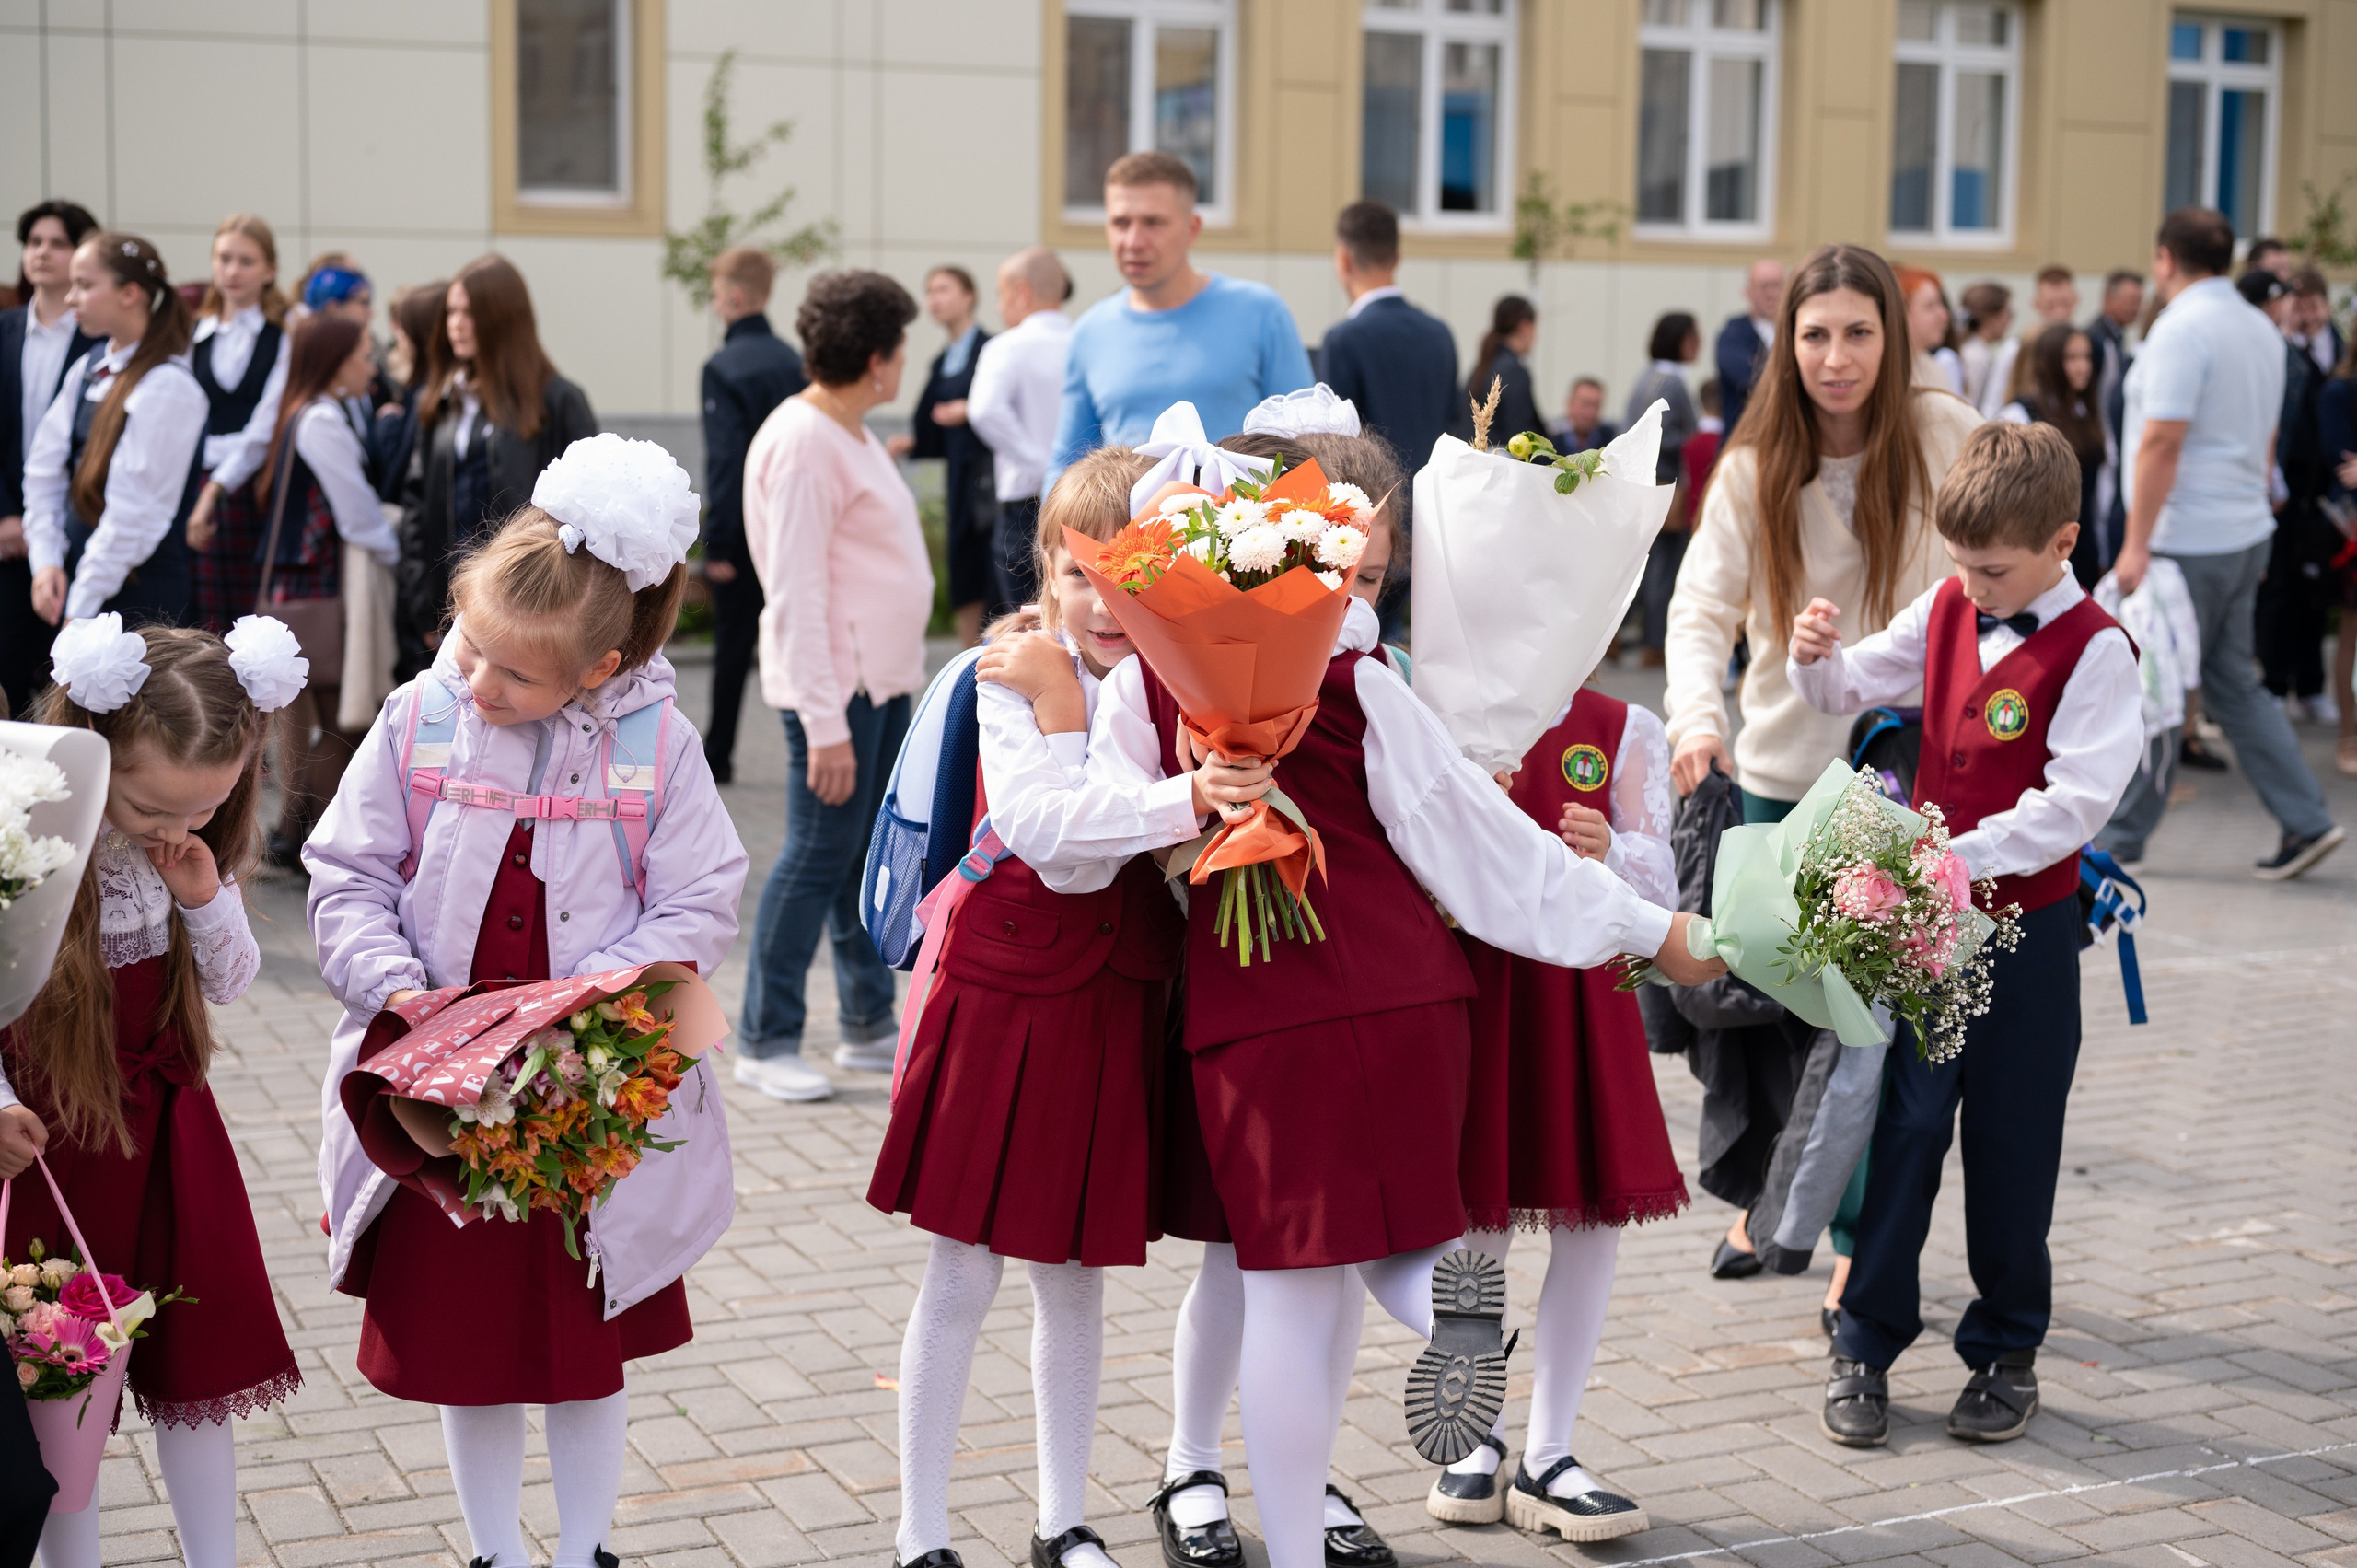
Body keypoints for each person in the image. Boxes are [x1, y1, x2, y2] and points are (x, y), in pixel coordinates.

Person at [1028, 411, 1721, 1568]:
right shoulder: (1362, 675)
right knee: (1373, 1241)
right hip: (1412, 993)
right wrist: (1652, 928)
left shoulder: (1145, 683)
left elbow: (1080, 844)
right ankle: (1437, 1297)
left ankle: (1305, 1535)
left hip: (1263, 1014)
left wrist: (1187, 793)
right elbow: (1483, 850)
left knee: (1290, 1293)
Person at [309, 445, 744, 1568]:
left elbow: (701, 896)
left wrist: (590, 1008)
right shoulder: (423, 714)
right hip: (440, 1095)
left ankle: (586, 1545)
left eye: (515, 676)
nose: (480, 685)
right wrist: (398, 991)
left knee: (581, 1342)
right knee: (469, 1349)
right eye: (475, 648)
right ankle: (495, 1552)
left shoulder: (658, 745)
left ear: (601, 665)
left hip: (578, 1099)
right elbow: (348, 870)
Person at [872, 447, 1272, 1568]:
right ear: (1046, 567)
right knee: (962, 1264)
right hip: (1003, 985)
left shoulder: (1179, 683)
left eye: (1129, 575)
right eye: (1079, 572)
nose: (1103, 602)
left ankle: (1062, 1520)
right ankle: (921, 1533)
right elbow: (1056, 841)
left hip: (1110, 995)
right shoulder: (1019, 668)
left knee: (1073, 1271)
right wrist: (1181, 789)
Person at [1790, 422, 2143, 1447]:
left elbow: (2071, 804)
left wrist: (1952, 858)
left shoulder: (2098, 651)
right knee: (1902, 1128)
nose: (1973, 584)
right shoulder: (1950, 601)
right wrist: (1813, 660)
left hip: (2025, 939)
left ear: (2062, 541)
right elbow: (1853, 683)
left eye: (1992, 568)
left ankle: (2004, 1347)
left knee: (2011, 1143)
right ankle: (1864, 1336)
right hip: (1931, 930)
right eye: (1961, 564)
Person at [1662, 244, 1983, 1279]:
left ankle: (1851, 1244)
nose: (1835, 357)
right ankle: (1775, 1201)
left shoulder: (1944, 432)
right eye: (1814, 335)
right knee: (1779, 1034)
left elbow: (2005, 560)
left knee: (1866, 1035)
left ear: (1891, 335)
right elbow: (1700, 608)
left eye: (1857, 331)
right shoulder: (1757, 462)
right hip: (1772, 772)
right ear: (1784, 343)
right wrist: (1689, 723)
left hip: (1899, 781)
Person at [4, 616, 306, 1568]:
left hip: (169, 1135)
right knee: (64, 1376)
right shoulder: (30, 846)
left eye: (208, 806)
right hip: (56, 1146)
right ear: (92, 756)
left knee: (196, 1359)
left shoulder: (181, 858)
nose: (176, 827)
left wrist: (205, 893)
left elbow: (229, 980)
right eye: (148, 806)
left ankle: (214, 1554)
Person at [1425, 676, 1687, 1540]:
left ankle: (1551, 1448)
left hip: (1583, 994)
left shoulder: (1622, 724)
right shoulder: (1447, 706)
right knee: (1482, 1217)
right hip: (1488, 988)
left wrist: (1610, 849)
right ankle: (1474, 1435)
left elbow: (1661, 879)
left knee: (1591, 1218)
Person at [738, 270, 935, 1100]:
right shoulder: (806, 442)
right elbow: (797, 591)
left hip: (875, 685)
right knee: (818, 854)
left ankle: (866, 1022)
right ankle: (764, 1035)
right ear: (880, 359)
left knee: (862, 853)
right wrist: (824, 723)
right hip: (837, 692)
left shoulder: (848, 430)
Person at [2108, 208, 2343, 878]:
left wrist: (2136, 542)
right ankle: (2307, 819)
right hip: (2241, 531)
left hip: (2187, 539)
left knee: (2153, 681)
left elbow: (2161, 440)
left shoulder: (2182, 328)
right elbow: (2265, 435)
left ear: (2163, 259)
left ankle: (2122, 838)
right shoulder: (2258, 327)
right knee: (2231, 683)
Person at [393, 255, 597, 679]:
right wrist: (425, 603)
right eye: (451, 311)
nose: (456, 324)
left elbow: (586, 518)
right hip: (451, 606)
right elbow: (415, 509)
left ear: (502, 317)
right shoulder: (443, 402)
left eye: (470, 312)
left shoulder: (558, 402)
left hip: (529, 607)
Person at [1050, 152, 1313, 479]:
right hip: (1128, 530)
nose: (1133, 241)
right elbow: (1067, 464)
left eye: (1153, 222)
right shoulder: (1089, 331)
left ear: (1192, 228)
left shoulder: (1261, 313)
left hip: (1243, 524)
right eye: (1120, 223)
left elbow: (1305, 447)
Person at [249, 313, 403, 864]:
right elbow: (356, 514)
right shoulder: (322, 419)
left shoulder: (301, 412)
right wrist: (399, 553)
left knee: (305, 729)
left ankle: (291, 834)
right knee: (342, 728)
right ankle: (306, 839)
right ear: (336, 361)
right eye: (364, 354)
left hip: (295, 593)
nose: (373, 366)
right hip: (321, 594)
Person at [25, 233, 208, 629]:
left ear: (130, 293)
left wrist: (83, 605)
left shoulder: (167, 386)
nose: (71, 297)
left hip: (136, 597)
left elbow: (136, 513)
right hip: (79, 587)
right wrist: (45, 560)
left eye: (85, 285)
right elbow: (43, 470)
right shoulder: (89, 368)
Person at [697, 245, 807, 784]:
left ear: (736, 297)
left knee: (734, 645)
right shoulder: (796, 362)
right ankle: (811, 748)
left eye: (718, 298)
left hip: (744, 533)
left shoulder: (722, 368)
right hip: (795, 527)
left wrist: (718, 541)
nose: (717, 308)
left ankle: (719, 752)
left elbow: (727, 458)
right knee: (798, 637)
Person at [1, 199, 99, 714]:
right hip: (9, 531)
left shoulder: (99, 337)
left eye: (57, 243)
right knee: (10, 665)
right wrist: (7, 515)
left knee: (73, 677)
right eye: (34, 242)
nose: (42, 253)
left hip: (79, 527)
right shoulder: (6, 328)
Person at [183, 215, 292, 634]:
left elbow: (263, 430)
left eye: (246, 261)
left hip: (252, 487)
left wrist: (214, 490)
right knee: (202, 619)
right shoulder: (194, 336)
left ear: (269, 270)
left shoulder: (282, 334)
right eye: (224, 258)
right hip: (195, 484)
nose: (232, 271)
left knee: (248, 619)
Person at [2242, 269, 2334, 722]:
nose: (2308, 314)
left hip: (2324, 484)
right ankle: (2276, 681)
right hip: (2285, 480)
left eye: (2316, 305)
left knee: (2317, 588)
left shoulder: (2336, 349)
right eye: (2300, 305)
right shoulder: (2277, 350)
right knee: (2279, 584)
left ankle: (2312, 686)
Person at [966, 247, 1074, 616]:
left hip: (1024, 505)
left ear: (1021, 292)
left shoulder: (1006, 347)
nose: (999, 306)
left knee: (1028, 619)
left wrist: (1039, 464)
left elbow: (984, 410)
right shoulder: (1084, 343)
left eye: (1000, 293)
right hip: (1086, 500)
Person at [1318, 201, 1460, 478]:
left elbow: (1336, 444)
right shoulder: (1440, 334)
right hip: (1437, 501)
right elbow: (1454, 425)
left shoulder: (1342, 340)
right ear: (1397, 258)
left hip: (1375, 509)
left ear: (1343, 259)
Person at [891, 266, 993, 646]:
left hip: (989, 485)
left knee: (993, 576)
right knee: (964, 575)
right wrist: (913, 443)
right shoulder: (941, 361)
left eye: (944, 289)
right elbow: (931, 426)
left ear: (969, 295)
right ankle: (971, 666)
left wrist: (971, 409)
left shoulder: (990, 350)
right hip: (959, 486)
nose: (934, 299)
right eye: (930, 291)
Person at [1998, 323, 2107, 587]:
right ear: (2048, 363)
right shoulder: (2021, 414)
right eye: (2071, 358)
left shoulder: (2086, 411)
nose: (2082, 366)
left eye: (2086, 357)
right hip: (2040, 548)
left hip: (2085, 543)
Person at [1626, 313, 1701, 668]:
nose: (1698, 343)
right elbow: (1665, 434)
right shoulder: (1674, 383)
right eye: (1692, 336)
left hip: (1640, 480)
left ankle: (1622, 636)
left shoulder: (1646, 377)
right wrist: (1692, 440)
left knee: (1641, 561)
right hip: (1666, 482)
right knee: (1663, 565)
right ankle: (1654, 643)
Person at [2316, 344, 2357, 776]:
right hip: (2353, 531)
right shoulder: (2339, 392)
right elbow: (2342, 464)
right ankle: (2349, 733)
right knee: (2351, 632)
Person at [368, 281, 446, 503]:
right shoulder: (424, 385)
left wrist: (387, 424)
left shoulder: (429, 391)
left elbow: (401, 471)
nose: (399, 338)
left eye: (405, 330)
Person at [1980, 265, 2076, 419]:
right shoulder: (2016, 348)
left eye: (2065, 304)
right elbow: (1992, 404)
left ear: (2076, 301)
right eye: (2050, 306)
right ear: (2036, 304)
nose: (2059, 313)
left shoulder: (2083, 349)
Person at [1715, 257, 1785, 434]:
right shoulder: (1733, 336)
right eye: (1764, 286)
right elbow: (1752, 381)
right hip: (1744, 440)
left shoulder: (1795, 331)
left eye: (1778, 285)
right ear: (1748, 291)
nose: (1772, 293)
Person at [1460, 296, 1540, 444]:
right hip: (1501, 461)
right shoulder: (1514, 371)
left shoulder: (1482, 366)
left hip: (1477, 459)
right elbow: (1520, 434)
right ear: (1525, 327)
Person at [1897, 265, 1964, 394]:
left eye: (1941, 304)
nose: (1944, 315)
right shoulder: (1887, 373)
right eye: (1930, 307)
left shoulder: (1932, 366)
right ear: (1899, 313)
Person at [1956, 282, 2013, 412]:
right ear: (1990, 317)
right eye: (2007, 313)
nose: (2009, 320)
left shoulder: (1973, 350)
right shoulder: (1977, 358)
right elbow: (1969, 407)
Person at [2287, 267, 2343, 377]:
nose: (2307, 318)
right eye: (2298, 308)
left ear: (2328, 307)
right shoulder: (2281, 350)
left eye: (2314, 307)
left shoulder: (2344, 351)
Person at [1552, 377, 1618, 454]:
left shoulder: (1611, 440)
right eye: (1585, 404)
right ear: (1570, 403)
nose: (1589, 412)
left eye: (1595, 405)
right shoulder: (1550, 439)